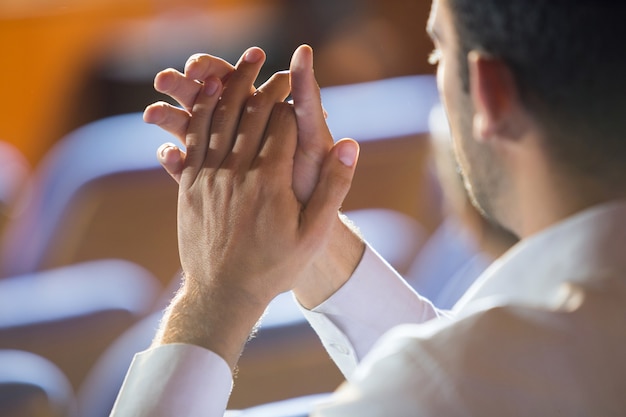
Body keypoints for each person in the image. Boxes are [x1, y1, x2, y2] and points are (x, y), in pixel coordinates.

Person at [111, 0, 626, 415]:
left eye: (437, 54)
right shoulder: (495, 366)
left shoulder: (448, 384)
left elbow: (449, 383)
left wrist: (216, 295)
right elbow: (484, 370)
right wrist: (309, 229)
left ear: (490, 93)